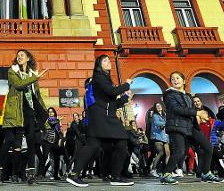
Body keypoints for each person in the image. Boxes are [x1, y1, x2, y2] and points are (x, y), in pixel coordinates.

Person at [66, 54, 134, 187]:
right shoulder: (98, 77)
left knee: (96, 144)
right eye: (105, 60)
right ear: (99, 65)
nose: (108, 62)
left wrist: (125, 98)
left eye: (109, 60)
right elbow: (111, 91)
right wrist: (127, 85)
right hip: (101, 117)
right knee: (118, 141)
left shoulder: (105, 79)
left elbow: (111, 102)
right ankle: (113, 176)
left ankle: (77, 175)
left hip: (103, 116)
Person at [0, 49, 49, 186]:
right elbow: (18, 84)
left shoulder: (31, 74)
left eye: (22, 55)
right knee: (9, 140)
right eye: (18, 55)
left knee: (31, 143)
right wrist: (35, 77)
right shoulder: (12, 71)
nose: (19, 57)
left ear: (28, 58)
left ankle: (31, 176)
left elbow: (38, 97)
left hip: (29, 112)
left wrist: (44, 115)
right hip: (15, 111)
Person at [159, 71, 222, 185]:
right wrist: (197, 113)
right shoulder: (169, 95)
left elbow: (192, 110)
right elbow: (176, 109)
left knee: (208, 146)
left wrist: (198, 117)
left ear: (184, 81)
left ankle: (206, 173)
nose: (175, 80)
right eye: (172, 79)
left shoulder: (187, 95)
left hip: (190, 126)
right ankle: (166, 174)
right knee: (180, 151)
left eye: (178, 78)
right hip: (177, 125)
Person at [39, 107, 63, 180]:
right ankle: (40, 174)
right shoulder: (48, 120)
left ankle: (56, 175)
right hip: (47, 141)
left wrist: (60, 139)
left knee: (56, 158)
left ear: (54, 112)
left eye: (52, 112)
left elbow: (59, 131)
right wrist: (58, 120)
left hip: (55, 141)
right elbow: (52, 124)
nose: (50, 113)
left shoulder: (57, 121)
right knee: (45, 157)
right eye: (49, 112)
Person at [149, 102, 169, 178]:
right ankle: (153, 169)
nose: (159, 107)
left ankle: (167, 171)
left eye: (160, 105)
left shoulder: (164, 115)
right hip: (157, 136)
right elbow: (157, 123)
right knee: (160, 152)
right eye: (157, 106)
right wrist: (167, 123)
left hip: (165, 137)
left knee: (167, 153)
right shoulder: (155, 115)